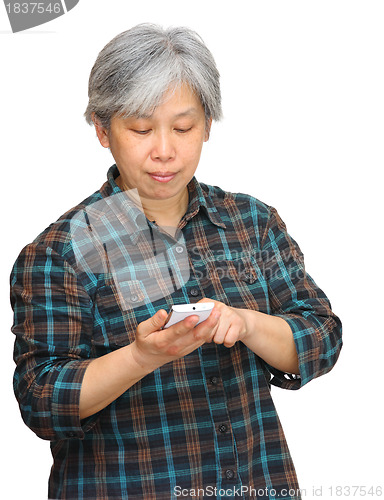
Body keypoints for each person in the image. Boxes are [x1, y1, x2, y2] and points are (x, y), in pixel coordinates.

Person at [10, 24, 342, 500]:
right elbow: (42, 401)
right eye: (141, 129)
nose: (164, 151)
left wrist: (248, 324)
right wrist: (141, 357)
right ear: (103, 130)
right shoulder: (59, 252)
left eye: (183, 128)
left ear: (207, 124)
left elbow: (322, 339)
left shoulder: (252, 223)